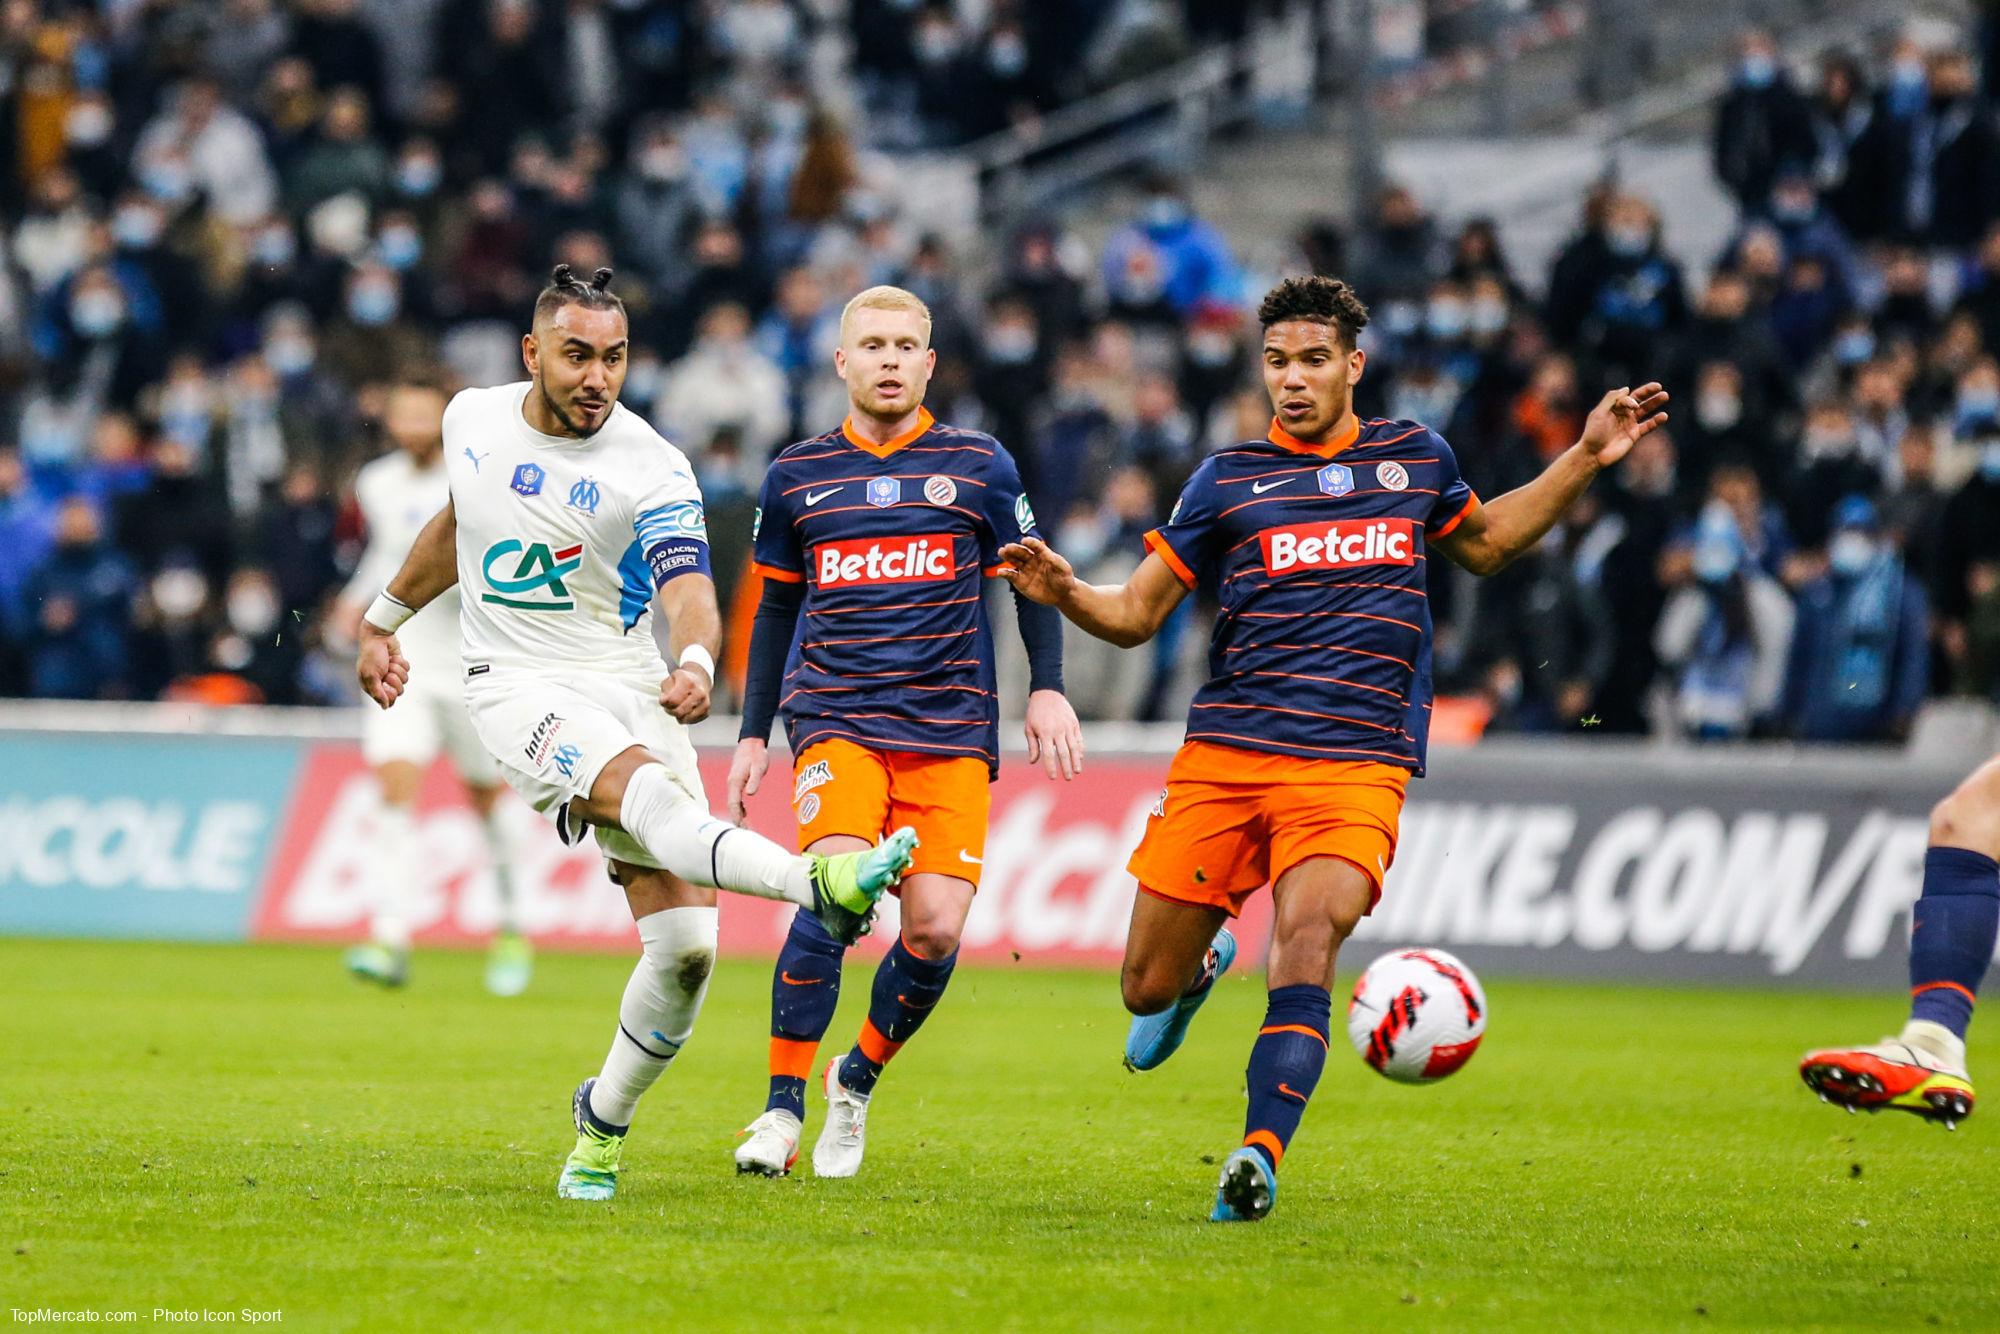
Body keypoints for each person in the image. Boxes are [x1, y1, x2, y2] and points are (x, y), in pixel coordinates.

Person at [999, 275, 1666, 1221]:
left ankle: (1258, 1155)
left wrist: (1588, 455)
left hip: (1356, 763)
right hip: (1230, 756)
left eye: (1313, 360)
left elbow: (1487, 543)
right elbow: (1137, 614)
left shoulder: (1413, 459)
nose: (1293, 380)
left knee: (1307, 938)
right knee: (1142, 988)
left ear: (1354, 365)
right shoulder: (1226, 480)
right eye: (1276, 362)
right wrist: (1067, 590)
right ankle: (1194, 971)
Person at [354, 265, 918, 1203]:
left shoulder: (651, 463)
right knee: (640, 798)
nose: (597, 378)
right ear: (533, 353)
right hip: (516, 686)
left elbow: (688, 583)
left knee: (689, 947)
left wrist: (696, 664)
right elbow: (460, 525)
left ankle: (601, 1126)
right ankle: (813, 882)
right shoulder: (471, 420)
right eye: (577, 356)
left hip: (629, 681)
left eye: (614, 358)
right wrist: (382, 620)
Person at [726, 286, 1083, 1179]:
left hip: (951, 728)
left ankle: (857, 1079)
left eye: (905, 345)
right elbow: (775, 609)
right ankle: (779, 1111)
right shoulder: (798, 475)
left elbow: (1032, 580)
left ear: (929, 363)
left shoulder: (980, 465)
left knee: (931, 933)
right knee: (835, 893)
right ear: (842, 363)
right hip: (836, 717)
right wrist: (753, 730)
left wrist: (1049, 689)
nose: (889, 359)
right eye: (872, 345)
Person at [333, 373, 532, 994]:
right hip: (404, 656)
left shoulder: (475, 474)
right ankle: (389, 936)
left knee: (486, 799)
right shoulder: (376, 483)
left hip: (472, 661)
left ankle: (511, 925)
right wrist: (353, 601)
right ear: (390, 420)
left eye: (426, 415)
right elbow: (387, 553)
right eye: (405, 415)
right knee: (394, 789)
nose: (415, 426)